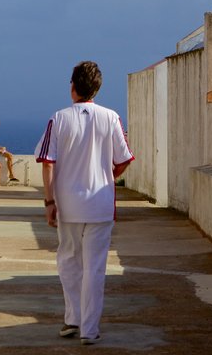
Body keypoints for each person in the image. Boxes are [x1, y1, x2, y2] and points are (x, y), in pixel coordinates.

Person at [34, 61, 134, 346]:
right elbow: (124, 159)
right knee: (95, 268)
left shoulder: (59, 118)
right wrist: (108, 178)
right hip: (101, 205)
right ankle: (89, 329)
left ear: (73, 86)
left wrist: (49, 202)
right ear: (97, 88)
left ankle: (72, 318)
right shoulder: (111, 117)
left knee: (68, 261)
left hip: (67, 205)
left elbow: (48, 164)